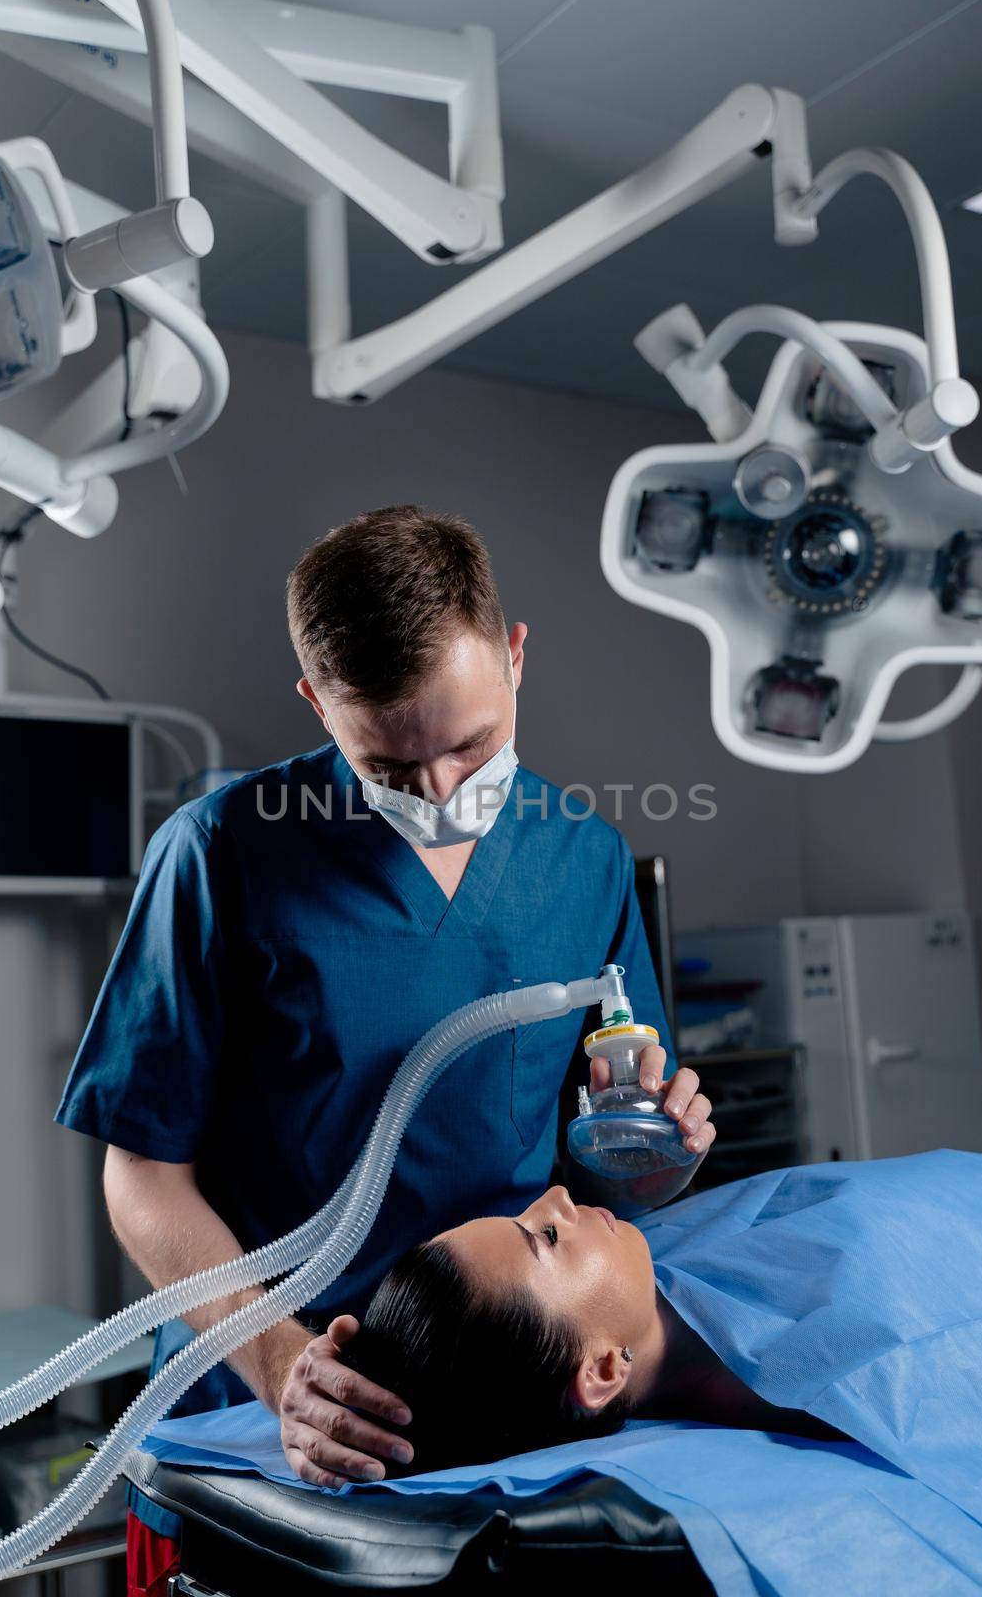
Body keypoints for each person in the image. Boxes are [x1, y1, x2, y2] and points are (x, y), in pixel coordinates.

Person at [53, 505, 718, 1596]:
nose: (444, 792)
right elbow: (141, 1171)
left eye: (469, 743)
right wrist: (277, 1364)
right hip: (263, 1421)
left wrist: (649, 1160)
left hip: (509, 1419)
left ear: (513, 656)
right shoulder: (222, 856)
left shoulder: (581, 859)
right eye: (392, 766)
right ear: (320, 705)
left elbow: (598, 1154)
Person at [337, 1183, 842, 1473]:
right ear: (602, 1371)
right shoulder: (825, 1387)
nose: (556, 1193)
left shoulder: (646, 1258)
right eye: (548, 1237)